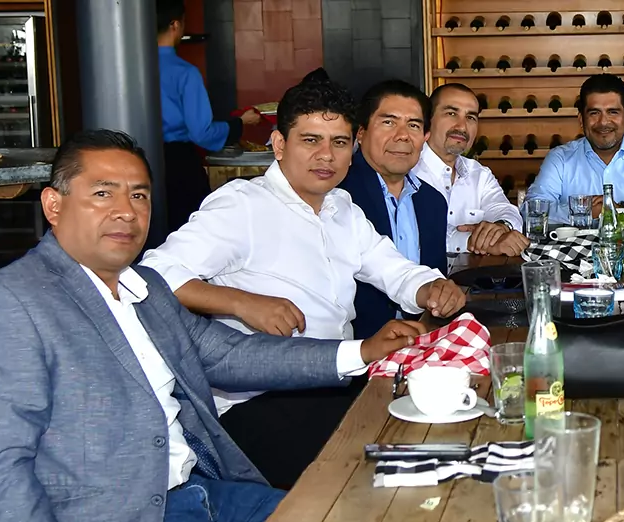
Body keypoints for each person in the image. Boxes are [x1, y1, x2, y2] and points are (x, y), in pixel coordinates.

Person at [0, 129, 426, 522]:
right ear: (54, 205)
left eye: (139, 195)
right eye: (103, 193)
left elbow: (229, 354)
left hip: (202, 494)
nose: (126, 211)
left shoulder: (144, 288)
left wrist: (361, 352)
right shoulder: (12, 301)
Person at [141, 77, 465, 489]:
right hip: (258, 402)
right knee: (380, 476)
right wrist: (240, 301)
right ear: (279, 145)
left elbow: (392, 268)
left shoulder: (341, 208)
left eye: (339, 142)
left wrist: (430, 287)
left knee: (438, 438)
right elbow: (153, 275)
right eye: (311, 140)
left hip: (338, 380)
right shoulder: (243, 204)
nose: (326, 155)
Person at [337, 79, 452, 333]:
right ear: (361, 132)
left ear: (425, 137)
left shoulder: (433, 201)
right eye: (389, 122)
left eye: (413, 125)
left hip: (423, 341)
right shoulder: (338, 196)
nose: (402, 135)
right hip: (357, 347)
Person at [525, 74, 624, 223]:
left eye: (613, 112)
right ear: (581, 119)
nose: (603, 122)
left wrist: (621, 210)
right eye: (594, 113)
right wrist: (585, 211)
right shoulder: (560, 158)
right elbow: (531, 209)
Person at [156, 0, 260, 233]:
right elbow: (201, 133)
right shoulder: (185, 72)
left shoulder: (135, 68)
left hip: (144, 160)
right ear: (175, 25)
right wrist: (239, 123)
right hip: (178, 164)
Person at [413, 82, 528, 256]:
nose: (462, 126)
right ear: (428, 120)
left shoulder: (479, 174)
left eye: (471, 117)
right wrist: (472, 241)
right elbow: (414, 234)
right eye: (451, 113)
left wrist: (501, 227)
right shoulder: (407, 170)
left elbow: (505, 210)